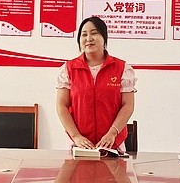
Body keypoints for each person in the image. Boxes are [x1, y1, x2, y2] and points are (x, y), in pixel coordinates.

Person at [56, 16, 136, 151]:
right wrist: (76, 136)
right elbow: (61, 106)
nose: (89, 38)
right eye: (84, 35)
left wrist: (112, 133)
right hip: (78, 145)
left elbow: (127, 105)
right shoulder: (68, 69)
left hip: (112, 144)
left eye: (94, 33)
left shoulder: (122, 68)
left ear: (104, 38)